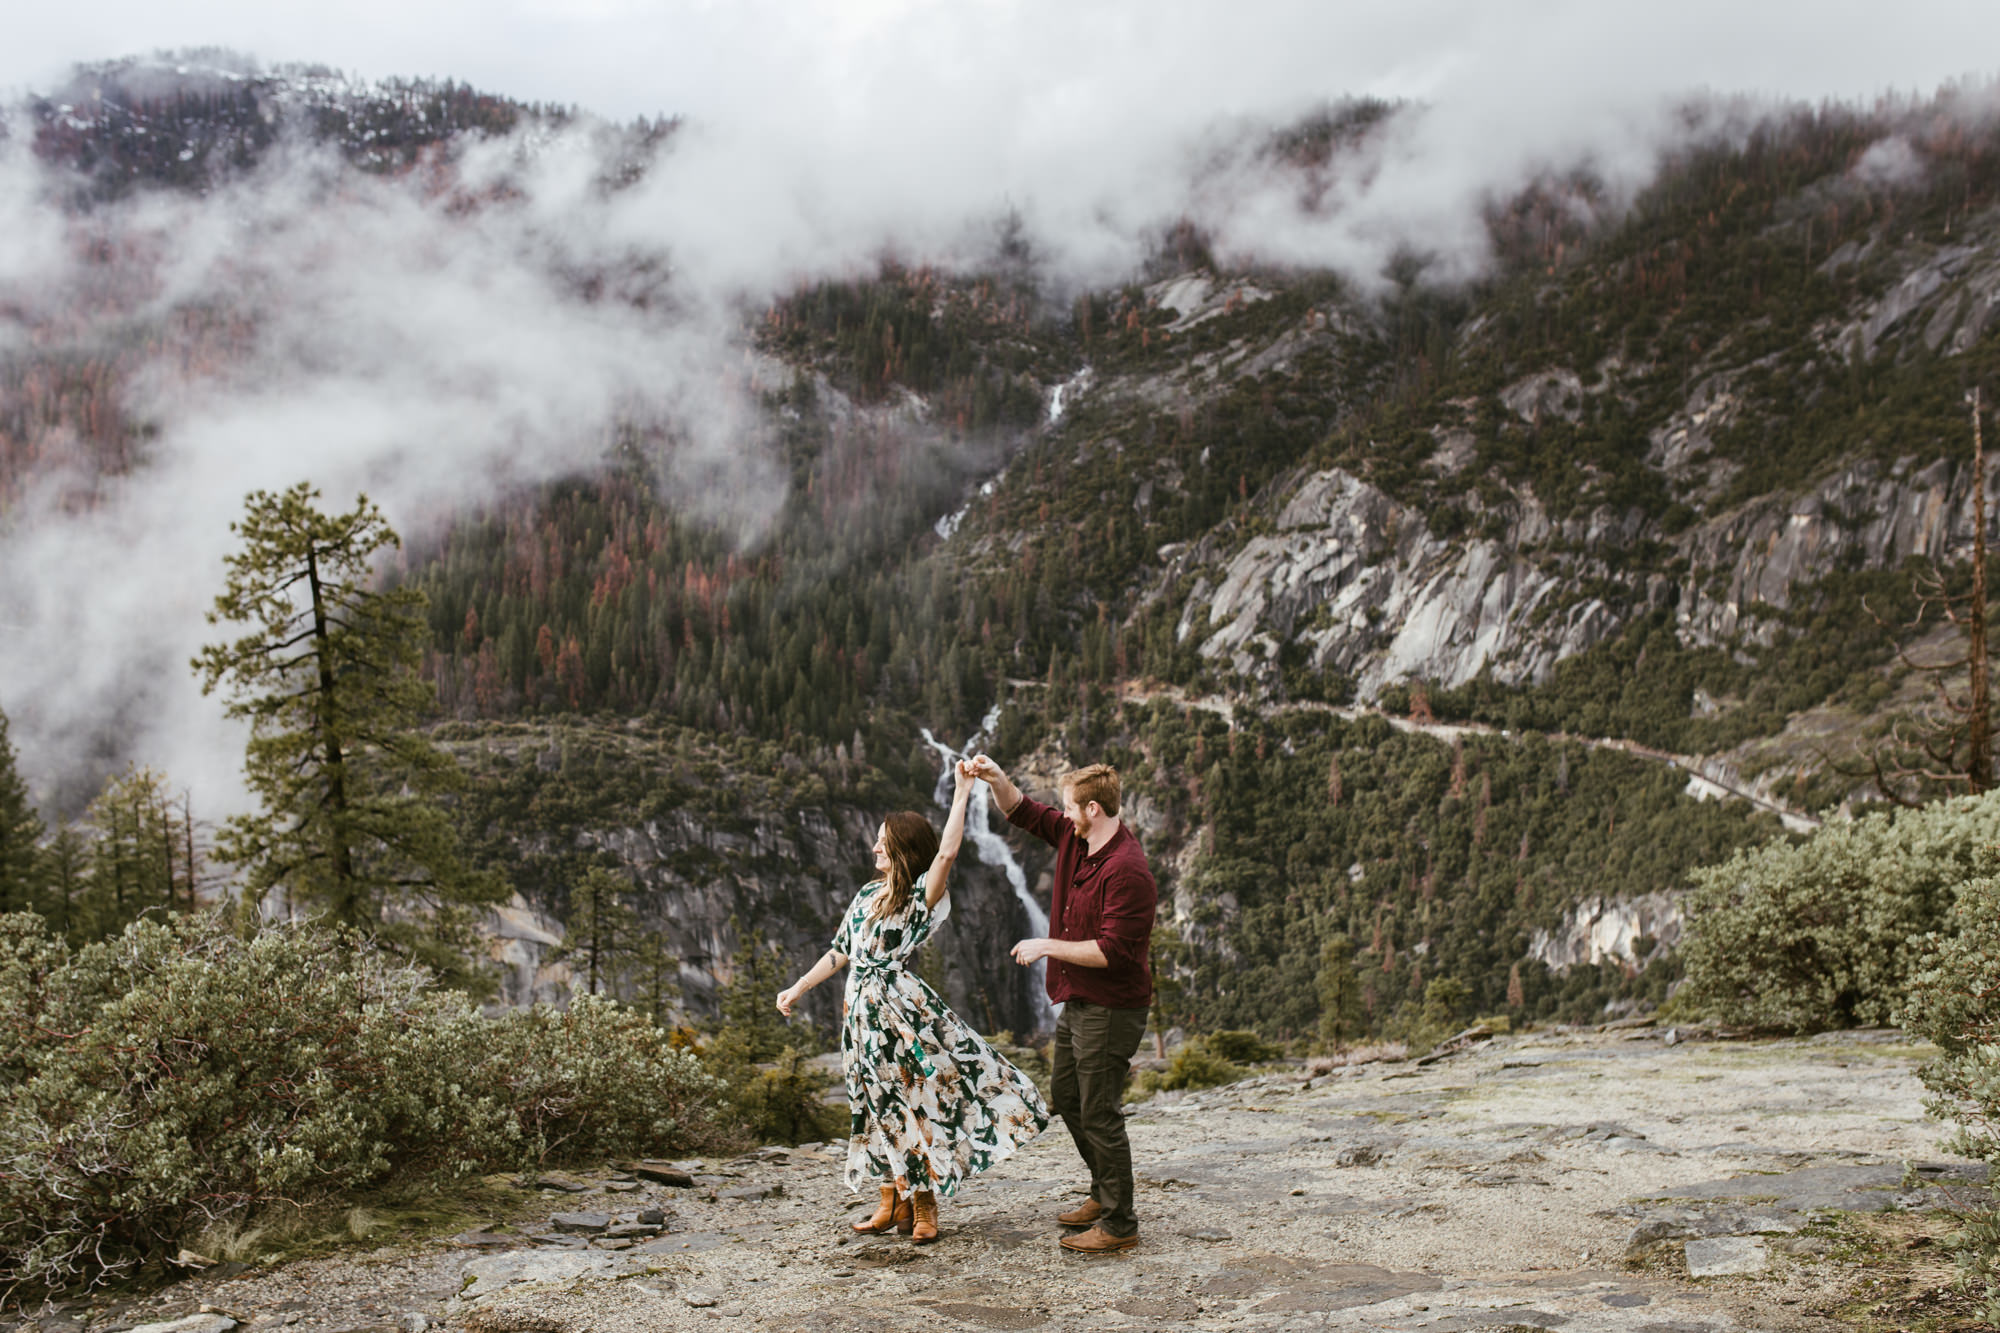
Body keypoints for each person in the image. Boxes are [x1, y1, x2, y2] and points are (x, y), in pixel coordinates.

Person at [776, 763, 1048, 1244]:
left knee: (912, 1099)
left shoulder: (921, 895)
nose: (874, 847)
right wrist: (798, 988)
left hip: (899, 1010)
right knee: (872, 1100)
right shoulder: (865, 896)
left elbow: (947, 850)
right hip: (859, 1012)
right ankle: (890, 1200)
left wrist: (963, 791)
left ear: (903, 848)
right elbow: (840, 952)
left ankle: (924, 1202)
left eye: (883, 840)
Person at [963, 755, 1157, 1255]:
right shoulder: (1079, 836)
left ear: (1093, 808)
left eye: (1071, 808)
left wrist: (1046, 945)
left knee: (1099, 1112)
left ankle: (1119, 1224)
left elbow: (1110, 952)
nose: (1064, 815)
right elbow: (1024, 812)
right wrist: (997, 780)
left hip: (1112, 1008)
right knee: (1068, 1098)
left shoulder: (1127, 871)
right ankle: (1104, 1191)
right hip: (1080, 1001)